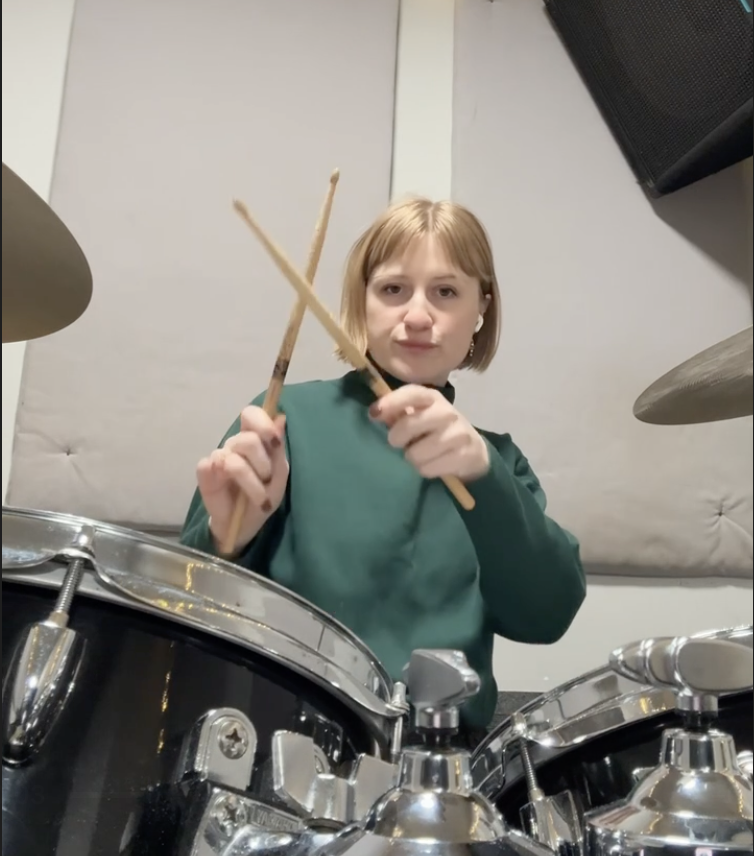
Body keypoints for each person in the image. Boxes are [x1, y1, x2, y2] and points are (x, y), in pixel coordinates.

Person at [180, 197, 586, 742]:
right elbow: (187, 613)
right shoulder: (284, 421)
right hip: (280, 743)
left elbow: (545, 617)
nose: (417, 316)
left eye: (445, 292)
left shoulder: (499, 462)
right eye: (393, 289)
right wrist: (230, 538)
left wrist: (485, 477)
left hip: (441, 764)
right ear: (362, 301)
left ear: (481, 308)